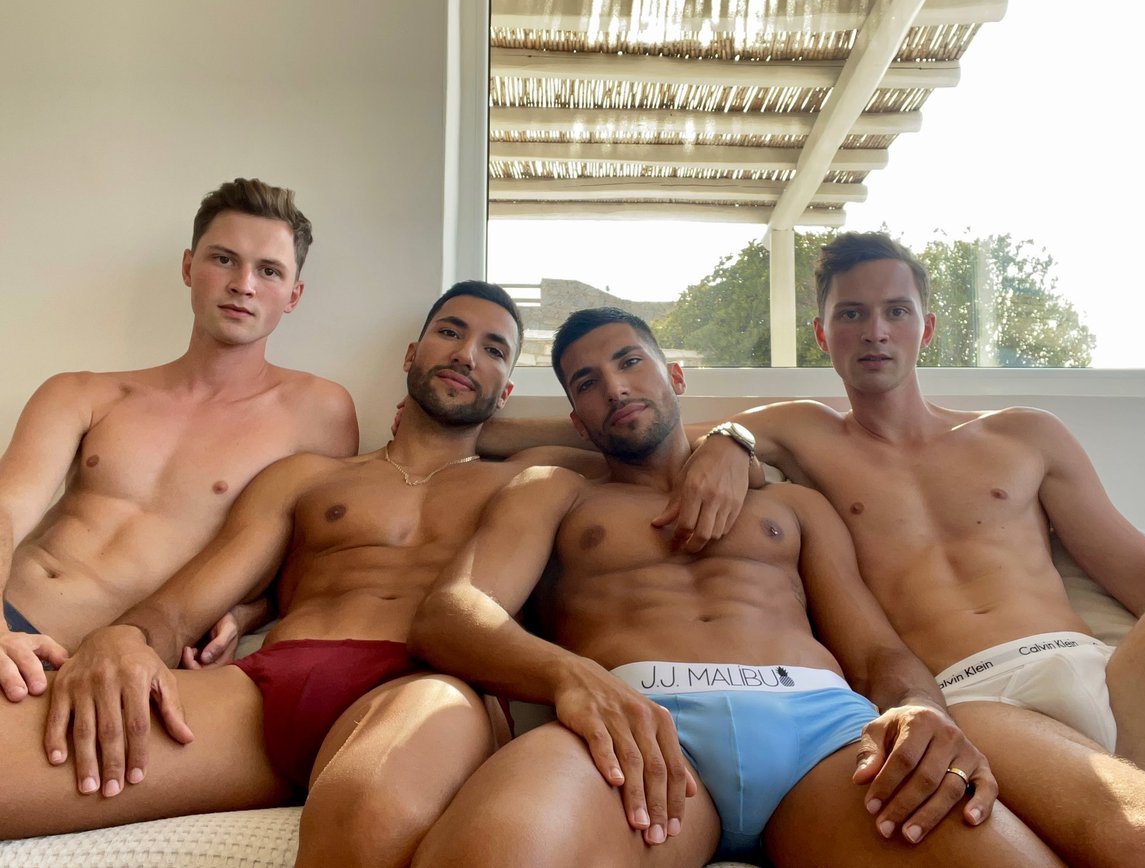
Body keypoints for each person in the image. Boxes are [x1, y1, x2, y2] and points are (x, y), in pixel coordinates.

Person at [406, 307, 1061, 867]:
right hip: (637, 730)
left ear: (676, 377)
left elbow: (875, 653)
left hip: (826, 737)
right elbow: (451, 615)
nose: (615, 387)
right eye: (588, 382)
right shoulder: (558, 492)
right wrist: (569, 677)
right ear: (578, 420)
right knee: (492, 852)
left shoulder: (793, 504)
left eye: (631, 363)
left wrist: (921, 707)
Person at [0, 282, 601, 865]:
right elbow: (186, 605)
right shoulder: (308, 476)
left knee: (367, 811)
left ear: (507, 390)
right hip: (269, 686)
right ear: (412, 355)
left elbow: (628, 433)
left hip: (430, 684)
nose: (466, 354)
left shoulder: (523, 480)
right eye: (450, 333)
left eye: (493, 350)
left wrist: (491, 427)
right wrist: (126, 638)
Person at [672, 231, 1145, 864]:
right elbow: (641, 436)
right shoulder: (805, 432)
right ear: (822, 335)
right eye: (851, 313)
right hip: (975, 701)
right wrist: (730, 437)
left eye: (896, 311)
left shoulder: (1026, 434)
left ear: (925, 329)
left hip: (1110, 678)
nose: (875, 331)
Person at [0, 178, 359, 700]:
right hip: (14, 624)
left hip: (134, 664)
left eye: (269, 270)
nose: (243, 284)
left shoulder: (318, 412)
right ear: (189, 267)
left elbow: (310, 562)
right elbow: (6, 509)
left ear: (294, 295)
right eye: (224, 260)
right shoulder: (83, 393)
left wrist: (244, 612)